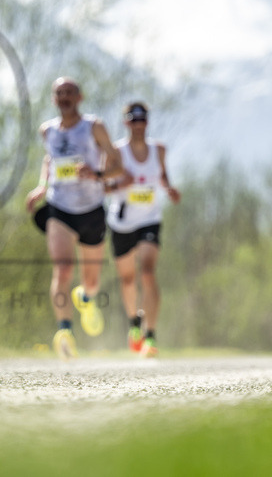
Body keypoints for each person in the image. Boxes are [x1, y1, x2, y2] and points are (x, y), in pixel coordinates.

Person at [25, 77, 125, 360]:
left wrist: (97, 174)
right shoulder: (47, 130)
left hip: (91, 209)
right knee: (63, 269)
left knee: (90, 282)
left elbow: (118, 166)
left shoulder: (94, 127)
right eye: (59, 93)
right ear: (53, 99)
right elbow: (49, 160)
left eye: (69, 92)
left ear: (79, 97)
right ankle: (65, 332)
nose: (64, 97)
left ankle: (86, 298)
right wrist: (41, 186)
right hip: (59, 207)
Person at [101, 102, 180, 358]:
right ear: (126, 122)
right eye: (133, 119)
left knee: (147, 272)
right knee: (128, 279)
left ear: (147, 121)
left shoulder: (159, 150)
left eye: (142, 118)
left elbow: (163, 176)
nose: (138, 123)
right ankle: (134, 323)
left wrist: (169, 189)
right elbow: (101, 185)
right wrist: (120, 185)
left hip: (150, 219)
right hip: (122, 222)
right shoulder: (116, 152)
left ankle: (150, 335)